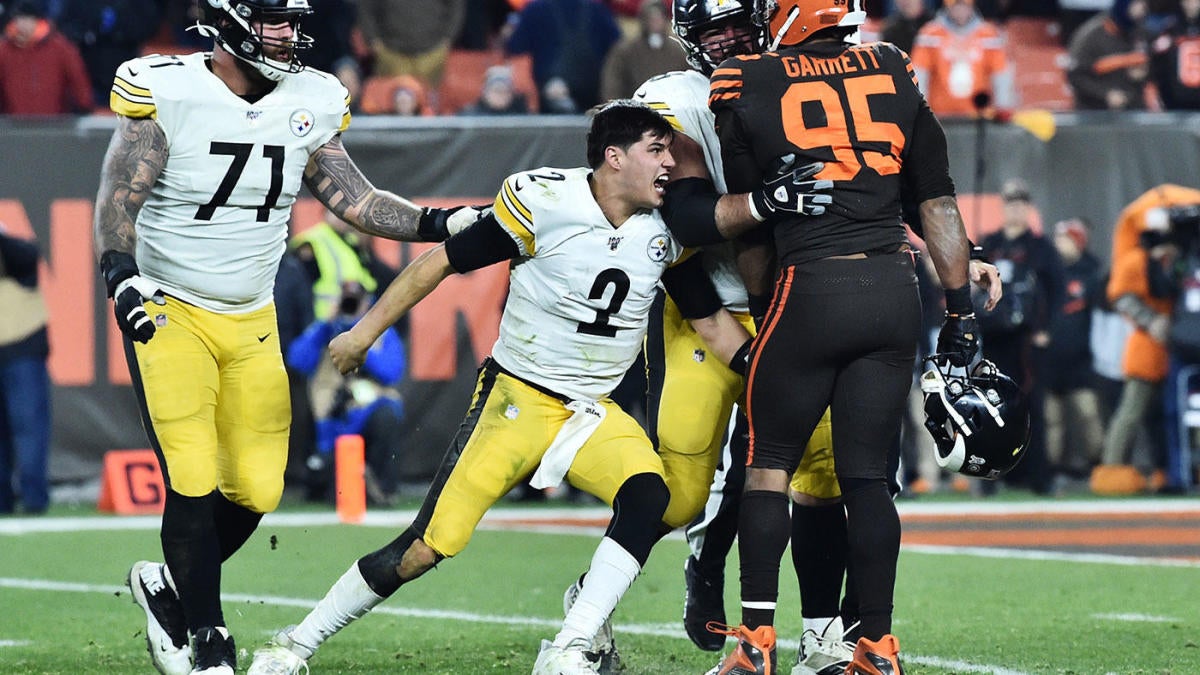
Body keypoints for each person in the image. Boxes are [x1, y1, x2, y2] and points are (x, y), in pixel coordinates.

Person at [244, 99, 757, 675]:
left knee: (648, 496)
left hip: (591, 410)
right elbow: (439, 262)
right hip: (515, 400)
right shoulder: (545, 203)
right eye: (656, 150)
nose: (671, 163)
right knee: (424, 549)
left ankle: (569, 646)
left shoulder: (666, 230)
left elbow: (711, 321)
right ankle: (294, 644)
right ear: (614, 158)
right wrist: (364, 332)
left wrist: (767, 368)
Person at [93, 2, 480, 673]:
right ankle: (208, 641)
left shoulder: (313, 95)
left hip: (250, 315)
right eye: (271, 18)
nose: (286, 33)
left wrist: (441, 222)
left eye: (289, 19)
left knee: (257, 489)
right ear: (225, 20)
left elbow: (354, 198)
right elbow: (120, 192)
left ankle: (167, 587)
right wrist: (119, 273)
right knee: (189, 473)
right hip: (168, 306)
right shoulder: (169, 87)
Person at [707, 0, 983, 672]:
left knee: (769, 463)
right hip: (894, 288)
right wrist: (961, 312)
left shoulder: (743, 80)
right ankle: (877, 644)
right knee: (869, 478)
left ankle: (755, 642)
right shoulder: (892, 67)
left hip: (812, 283)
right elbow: (937, 204)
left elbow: (749, 229)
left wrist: (767, 302)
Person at [976, 178, 1064, 496]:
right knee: (991, 407)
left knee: (1030, 407)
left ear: (1028, 209)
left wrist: (1046, 330)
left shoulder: (1040, 248)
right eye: (1010, 204)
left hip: (1027, 341)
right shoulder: (991, 243)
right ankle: (990, 477)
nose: (1015, 210)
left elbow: (1057, 292)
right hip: (994, 338)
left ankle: (1038, 477)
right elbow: (972, 282)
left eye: (1021, 204)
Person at [285, 281, 407, 505]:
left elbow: (392, 372)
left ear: (367, 304)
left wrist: (358, 341)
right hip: (332, 422)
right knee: (331, 489)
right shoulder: (327, 330)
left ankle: (382, 489)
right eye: (346, 300)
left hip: (369, 412)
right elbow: (297, 360)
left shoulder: (381, 333)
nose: (349, 306)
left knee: (387, 416)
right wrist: (327, 325)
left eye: (354, 301)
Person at [1042, 218, 1106, 490]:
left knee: (1088, 415)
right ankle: (1053, 470)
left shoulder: (1092, 275)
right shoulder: (1047, 272)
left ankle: (1098, 466)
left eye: (1065, 238)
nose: (1059, 243)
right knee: (1052, 421)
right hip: (1050, 360)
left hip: (1081, 361)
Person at [0, 225, 51, 515]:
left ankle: (34, 500)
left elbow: (28, 255)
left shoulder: (14, 251)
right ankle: (3, 501)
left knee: (29, 429)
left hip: (22, 348)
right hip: (18, 349)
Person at [504, 0, 623, 112]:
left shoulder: (535, 8)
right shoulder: (596, 9)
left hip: (549, 89)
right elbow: (617, 44)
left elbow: (515, 47)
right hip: (592, 90)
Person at [909, 0, 1017, 119]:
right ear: (947, 6)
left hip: (977, 117)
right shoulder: (929, 35)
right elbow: (919, 74)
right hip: (940, 117)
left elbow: (1001, 74)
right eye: (955, 5)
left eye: (964, 5)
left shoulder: (988, 36)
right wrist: (919, 109)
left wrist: (1003, 105)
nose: (960, 10)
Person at [0, 0, 93, 114]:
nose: (23, 24)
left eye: (28, 19)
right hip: (13, 125)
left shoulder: (60, 48)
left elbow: (77, 78)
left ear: (37, 21)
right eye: (19, 19)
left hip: (53, 124)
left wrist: (84, 104)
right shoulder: (4, 50)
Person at [356, 0, 465, 91]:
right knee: (389, 106)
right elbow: (365, 7)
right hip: (390, 54)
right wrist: (373, 39)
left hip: (432, 54)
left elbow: (456, 6)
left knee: (430, 107)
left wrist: (449, 37)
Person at [1066, 0, 1150, 110]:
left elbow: (1154, 70)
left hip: (1133, 109)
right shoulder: (1092, 36)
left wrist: (1143, 74)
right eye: (1137, 3)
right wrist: (1105, 94)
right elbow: (1075, 76)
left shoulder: (1142, 33)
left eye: (1143, 4)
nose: (1141, 9)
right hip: (1094, 113)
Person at [599, 0, 689, 100]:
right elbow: (613, 84)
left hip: (674, 106)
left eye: (659, 18)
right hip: (635, 108)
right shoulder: (625, 51)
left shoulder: (679, 50)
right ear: (643, 20)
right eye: (651, 18)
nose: (656, 22)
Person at [1148, 0, 1200, 110]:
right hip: (1177, 100)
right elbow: (1158, 64)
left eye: (1195, 1)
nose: (1190, 5)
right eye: (1187, 1)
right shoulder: (1171, 29)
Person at [457, 64, 531, 115]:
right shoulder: (469, 116)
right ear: (485, 93)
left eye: (505, 91)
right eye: (497, 90)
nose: (501, 95)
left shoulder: (523, 117)